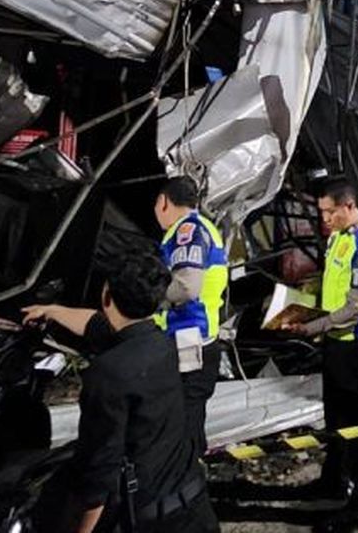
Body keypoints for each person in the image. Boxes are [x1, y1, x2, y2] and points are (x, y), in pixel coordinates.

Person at [23, 253, 219, 533]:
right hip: (195, 508)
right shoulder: (161, 344)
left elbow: (101, 469)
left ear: (106, 296)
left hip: (152, 522)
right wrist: (52, 311)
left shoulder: (108, 374)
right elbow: (95, 325)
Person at [285, 178, 358, 531]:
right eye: (322, 212)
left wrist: (315, 327)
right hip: (336, 344)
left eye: (330, 211)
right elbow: (332, 287)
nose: (325, 218)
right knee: (338, 419)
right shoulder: (339, 239)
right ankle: (333, 481)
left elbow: (357, 307)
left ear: (349, 206)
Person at [151, 176, 228, 456]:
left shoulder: (188, 231)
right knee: (186, 418)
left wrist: (147, 300)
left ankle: (186, 486)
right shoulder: (203, 227)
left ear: (163, 202)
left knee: (183, 422)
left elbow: (186, 287)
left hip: (188, 339)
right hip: (196, 338)